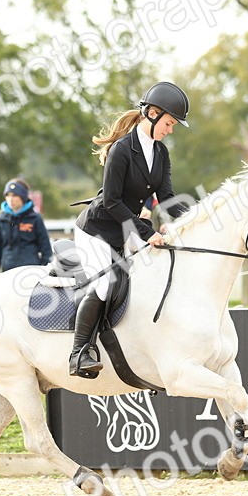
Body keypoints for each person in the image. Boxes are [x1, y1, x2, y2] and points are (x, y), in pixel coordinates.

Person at [69, 81, 192, 378]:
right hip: (96, 231)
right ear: (151, 113)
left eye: (173, 124)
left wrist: (192, 220)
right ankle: (79, 353)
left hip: (125, 230)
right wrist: (148, 232)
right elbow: (111, 202)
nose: (170, 129)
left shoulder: (160, 153)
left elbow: (167, 198)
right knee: (106, 284)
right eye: (169, 123)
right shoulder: (121, 150)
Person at [0, 178, 52, 275]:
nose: (11, 199)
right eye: (8, 195)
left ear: (23, 197)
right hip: (7, 273)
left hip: (31, 272)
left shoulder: (35, 218)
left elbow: (46, 248)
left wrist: (44, 272)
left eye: (15, 195)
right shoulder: (1, 219)